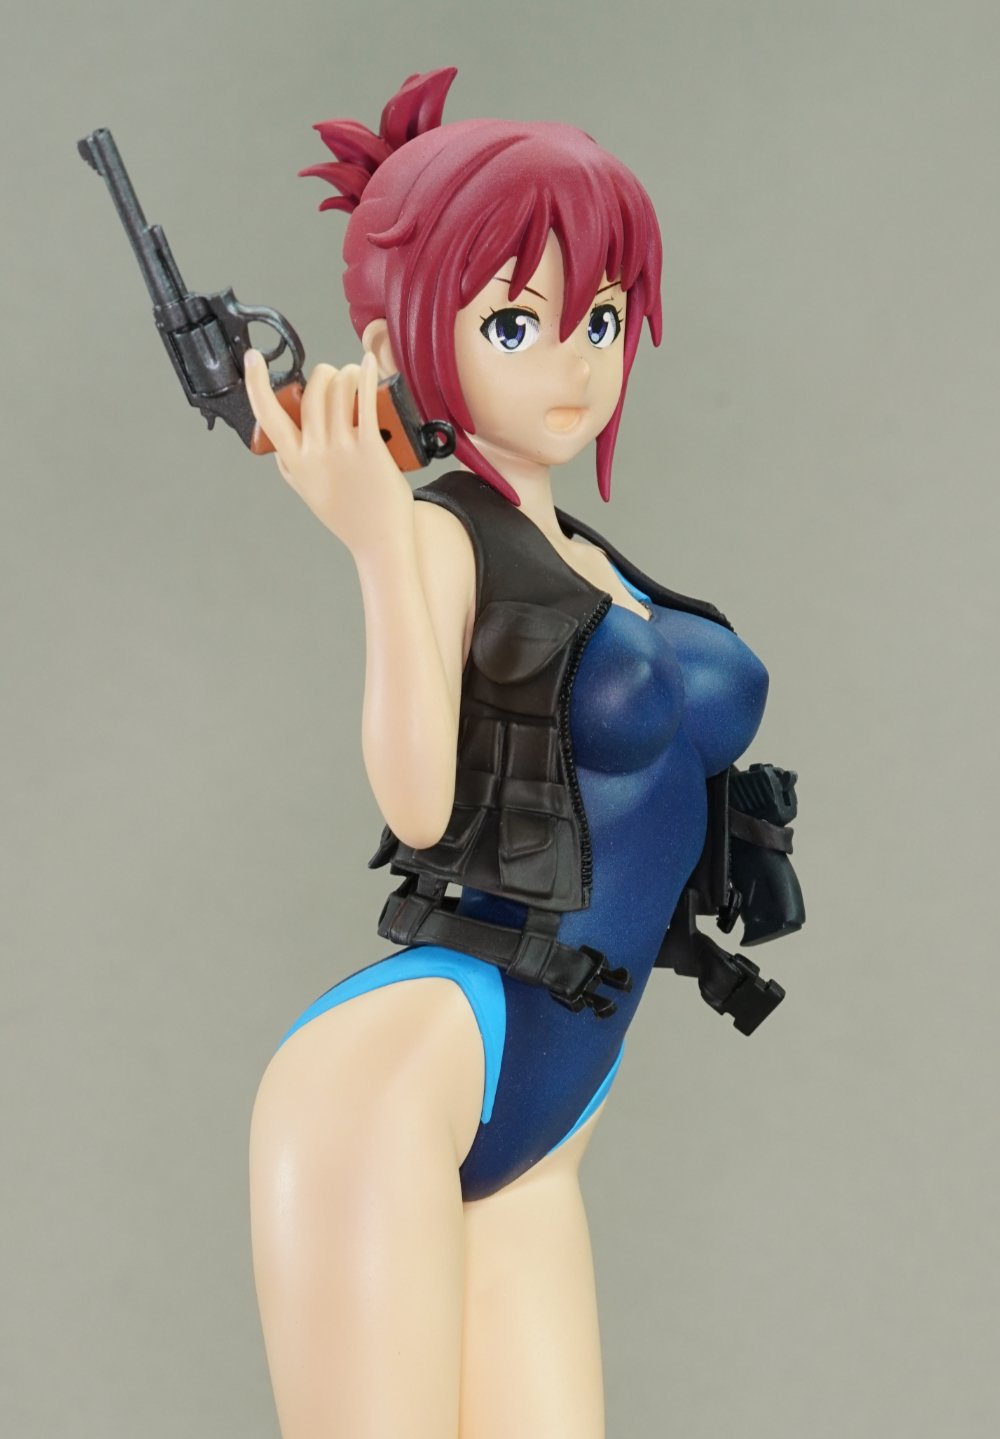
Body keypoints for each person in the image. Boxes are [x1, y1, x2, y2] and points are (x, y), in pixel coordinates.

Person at [244, 66, 769, 1439]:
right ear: (399, 338)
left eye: (601, 318)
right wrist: (374, 544)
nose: (575, 365)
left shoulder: (591, 558)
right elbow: (420, 805)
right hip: (407, 1075)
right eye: (517, 323)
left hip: (556, 1098)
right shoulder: (432, 533)